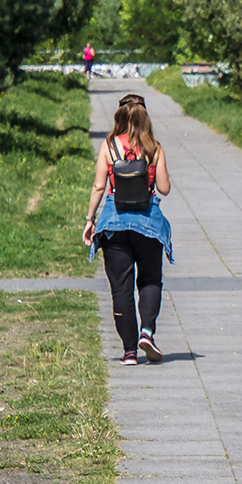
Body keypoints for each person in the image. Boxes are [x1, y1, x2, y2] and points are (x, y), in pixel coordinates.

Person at [83, 95, 174, 365]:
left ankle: (130, 352)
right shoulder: (155, 148)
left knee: (120, 289)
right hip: (148, 223)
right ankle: (147, 331)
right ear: (146, 119)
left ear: (119, 117)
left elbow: (100, 186)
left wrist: (90, 220)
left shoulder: (109, 147)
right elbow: (164, 189)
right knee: (149, 280)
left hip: (114, 223)